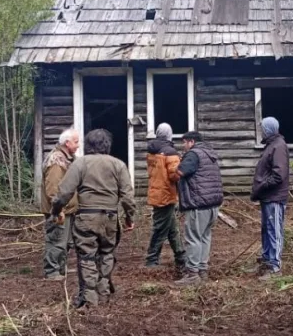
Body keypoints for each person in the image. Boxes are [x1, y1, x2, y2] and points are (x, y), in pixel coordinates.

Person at [51, 129, 136, 307]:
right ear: (108, 145)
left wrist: (56, 209)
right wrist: (129, 217)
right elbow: (128, 196)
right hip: (110, 218)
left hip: (86, 217)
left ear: (88, 145)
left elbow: (63, 192)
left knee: (87, 257)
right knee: (107, 253)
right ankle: (103, 293)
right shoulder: (119, 165)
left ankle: (89, 299)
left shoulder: (80, 164)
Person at [174, 131, 223, 286]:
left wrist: (178, 162)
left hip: (198, 204)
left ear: (192, 142)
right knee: (204, 237)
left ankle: (192, 274)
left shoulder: (193, 154)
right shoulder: (210, 154)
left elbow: (180, 171)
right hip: (213, 204)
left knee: (193, 238)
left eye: (185, 142)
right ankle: (202, 270)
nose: (184, 146)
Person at [250, 116, 289, 279]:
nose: (261, 131)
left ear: (269, 129)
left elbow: (279, 175)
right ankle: (267, 260)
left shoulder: (278, 146)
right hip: (267, 197)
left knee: (274, 230)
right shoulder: (271, 145)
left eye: (263, 128)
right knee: (267, 229)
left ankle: (275, 265)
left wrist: (262, 185)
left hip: (274, 197)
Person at [145, 123, 186, 270]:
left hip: (156, 191)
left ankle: (180, 256)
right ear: (169, 135)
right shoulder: (170, 152)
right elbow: (174, 175)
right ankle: (151, 259)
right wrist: (183, 170)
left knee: (172, 227)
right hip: (166, 194)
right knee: (160, 228)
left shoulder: (151, 151)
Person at [41, 128, 80, 281]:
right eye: (76, 142)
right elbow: (53, 188)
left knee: (66, 242)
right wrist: (58, 210)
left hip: (68, 209)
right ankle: (51, 271)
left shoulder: (68, 158)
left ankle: (60, 268)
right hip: (59, 210)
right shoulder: (56, 160)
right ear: (67, 143)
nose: (78, 145)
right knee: (56, 240)